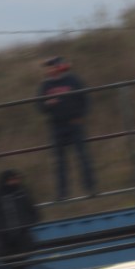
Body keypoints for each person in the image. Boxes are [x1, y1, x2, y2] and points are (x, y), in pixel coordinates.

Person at [37, 56, 95, 200]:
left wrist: (81, 116)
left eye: (51, 66)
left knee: (83, 157)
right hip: (56, 126)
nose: (49, 70)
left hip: (74, 124)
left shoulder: (73, 80)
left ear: (59, 67)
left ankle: (90, 188)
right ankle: (62, 193)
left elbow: (85, 99)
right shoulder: (45, 85)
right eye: (48, 67)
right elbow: (39, 107)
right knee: (60, 162)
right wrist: (47, 104)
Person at [0, 169, 40, 269]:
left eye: (16, 179)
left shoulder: (23, 193)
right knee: (14, 264)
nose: (15, 182)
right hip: (4, 240)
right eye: (12, 180)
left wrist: (25, 225)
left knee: (20, 263)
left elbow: (34, 213)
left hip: (22, 237)